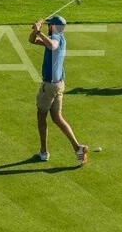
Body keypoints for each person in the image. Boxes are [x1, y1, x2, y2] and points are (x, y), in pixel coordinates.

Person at [28, 15, 88, 164]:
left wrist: (39, 32)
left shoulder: (56, 39)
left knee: (41, 117)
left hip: (49, 86)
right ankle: (78, 147)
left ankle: (43, 152)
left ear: (52, 27)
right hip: (59, 85)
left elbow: (52, 45)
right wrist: (35, 31)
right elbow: (32, 40)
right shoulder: (60, 37)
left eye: (49, 25)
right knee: (57, 118)